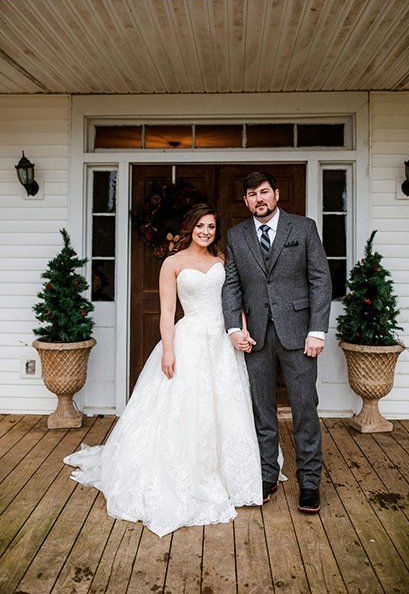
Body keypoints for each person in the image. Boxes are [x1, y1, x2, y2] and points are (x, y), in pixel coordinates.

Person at [64, 204, 262, 537]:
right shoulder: (172, 263)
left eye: (212, 227)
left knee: (226, 406)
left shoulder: (222, 262)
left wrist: (241, 331)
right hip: (190, 338)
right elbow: (167, 312)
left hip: (221, 343)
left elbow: (235, 303)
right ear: (190, 228)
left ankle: (231, 476)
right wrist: (168, 349)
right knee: (186, 407)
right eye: (200, 226)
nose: (206, 232)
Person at [222, 171, 332, 513]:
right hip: (255, 337)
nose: (259, 199)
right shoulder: (236, 235)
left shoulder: (303, 228)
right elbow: (231, 285)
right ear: (246, 201)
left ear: (277, 194)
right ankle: (267, 474)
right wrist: (233, 329)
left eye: (264, 192)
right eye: (252, 194)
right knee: (262, 410)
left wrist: (317, 330)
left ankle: (309, 482)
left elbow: (320, 280)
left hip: (299, 335)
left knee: (304, 409)